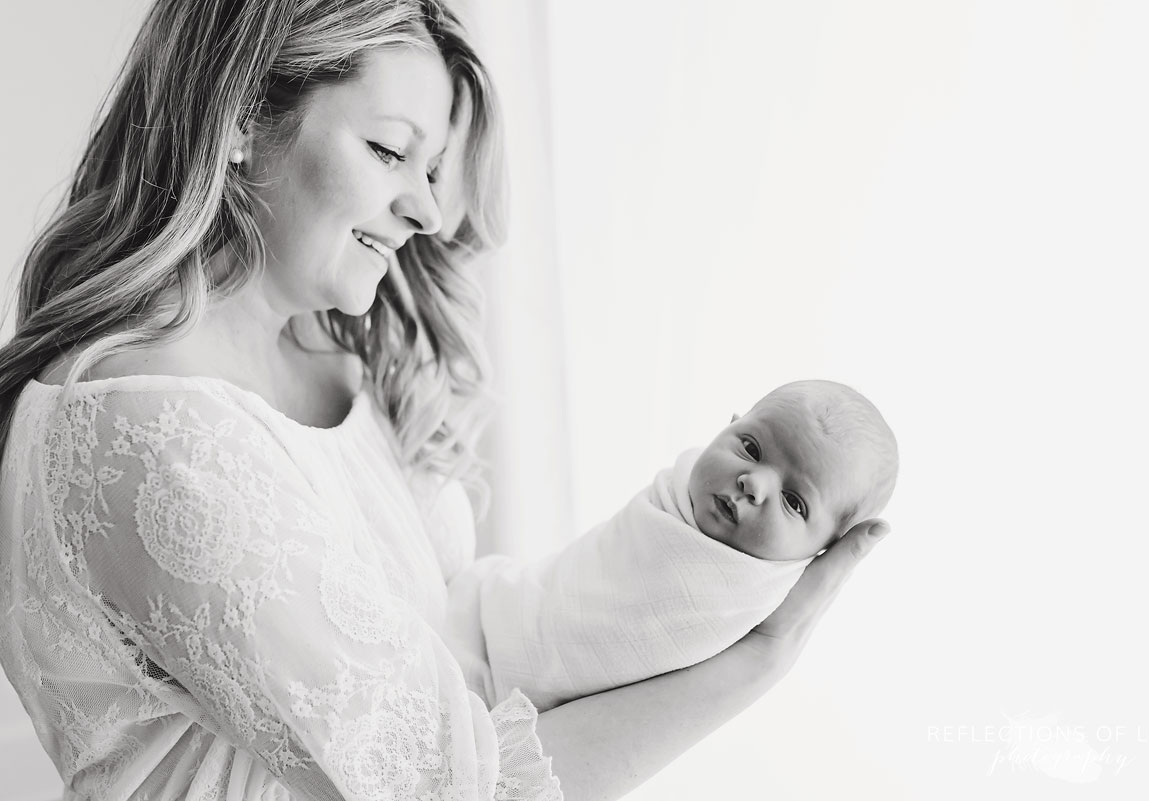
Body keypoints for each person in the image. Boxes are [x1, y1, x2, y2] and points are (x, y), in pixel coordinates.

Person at [0, 1, 892, 799]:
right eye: (390, 150)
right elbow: (455, 788)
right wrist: (755, 663)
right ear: (238, 118)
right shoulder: (156, 434)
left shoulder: (341, 355)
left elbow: (464, 643)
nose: (427, 209)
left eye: (433, 167)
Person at [446, 379, 898, 712]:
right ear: (731, 424)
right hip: (492, 610)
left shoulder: (756, 597)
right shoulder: (670, 498)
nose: (754, 483)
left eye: (794, 501)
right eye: (750, 447)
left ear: (822, 553)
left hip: (507, 705)